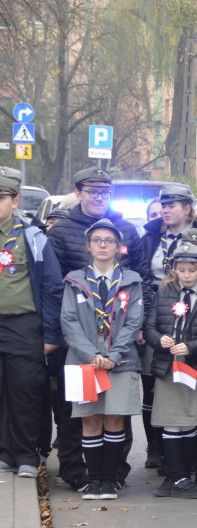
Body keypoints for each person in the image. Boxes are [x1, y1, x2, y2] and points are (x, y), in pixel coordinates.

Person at [47, 167, 150, 490]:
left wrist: (123, 344)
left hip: (119, 348)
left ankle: (113, 475)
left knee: (116, 415)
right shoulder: (61, 231)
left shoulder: (127, 231)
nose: (98, 197)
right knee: (78, 415)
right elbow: (54, 289)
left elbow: (140, 279)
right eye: (92, 191)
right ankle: (79, 473)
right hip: (79, 347)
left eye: (104, 192)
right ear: (78, 193)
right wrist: (68, 341)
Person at [59, 219, 145, 500]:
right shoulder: (74, 280)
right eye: (97, 240)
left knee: (114, 419)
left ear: (118, 247)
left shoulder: (131, 280)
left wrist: (114, 355)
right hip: (84, 362)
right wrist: (91, 355)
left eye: (109, 240)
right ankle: (93, 480)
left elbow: (134, 322)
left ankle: (109, 480)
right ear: (88, 245)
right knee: (90, 420)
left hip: (120, 362)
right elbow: (68, 321)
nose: (103, 245)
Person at [145, 242, 197, 500]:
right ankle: (178, 477)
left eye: (192, 270)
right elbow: (150, 327)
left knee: (190, 421)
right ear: (174, 270)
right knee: (171, 421)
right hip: (169, 368)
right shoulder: (164, 293)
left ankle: (181, 476)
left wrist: (190, 347)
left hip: (195, 368)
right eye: (181, 270)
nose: (187, 275)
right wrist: (160, 341)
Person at [0, 167, 63, 478]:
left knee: (25, 389)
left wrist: (51, 334)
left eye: (0, 197)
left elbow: (52, 287)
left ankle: (26, 454)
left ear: (15, 201)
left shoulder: (33, 237)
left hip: (23, 324)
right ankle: (3, 451)